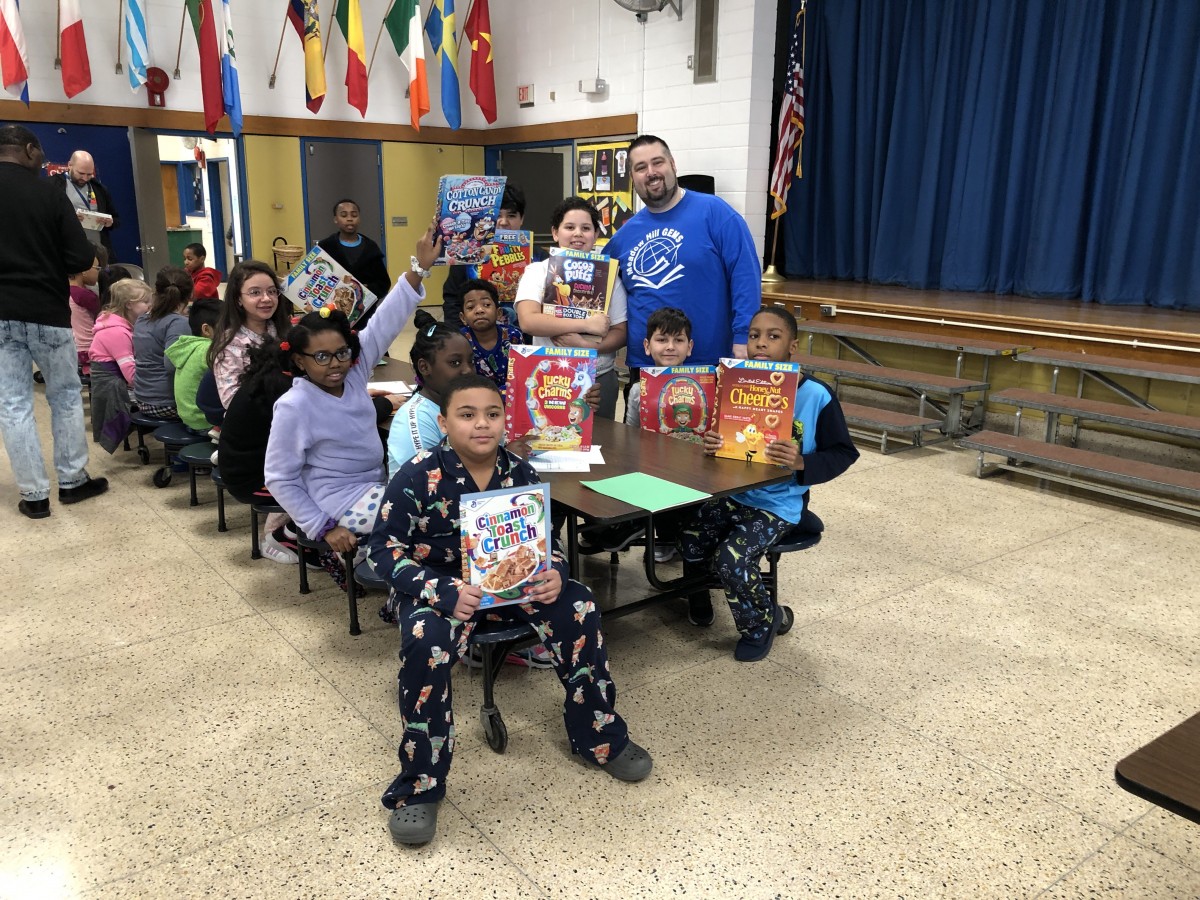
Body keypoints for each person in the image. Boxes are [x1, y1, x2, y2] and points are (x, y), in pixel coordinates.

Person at [368, 372, 653, 846]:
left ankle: (601, 735)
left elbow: (547, 545)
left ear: (505, 420)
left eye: (492, 414)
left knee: (578, 604)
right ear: (443, 422)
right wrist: (441, 591)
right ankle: (420, 785)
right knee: (427, 642)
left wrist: (555, 571)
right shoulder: (417, 475)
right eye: (467, 415)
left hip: (514, 589)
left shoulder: (520, 471)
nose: (481, 424)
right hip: (444, 592)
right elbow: (383, 551)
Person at [679, 306, 859, 660]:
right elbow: (723, 443)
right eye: (754, 336)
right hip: (734, 493)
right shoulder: (733, 384)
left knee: (732, 560)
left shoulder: (816, 395)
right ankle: (697, 590)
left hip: (779, 504)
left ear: (793, 346)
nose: (761, 344)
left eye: (773, 337)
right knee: (689, 534)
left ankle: (763, 622)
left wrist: (802, 461)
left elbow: (843, 452)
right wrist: (713, 444)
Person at [263, 222, 438, 564]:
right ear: (299, 360)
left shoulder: (354, 373)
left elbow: (385, 321)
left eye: (342, 352)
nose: (335, 365)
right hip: (335, 501)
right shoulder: (294, 405)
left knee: (433, 500)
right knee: (427, 517)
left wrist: (420, 267)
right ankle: (324, 549)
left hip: (373, 483)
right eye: (321, 357)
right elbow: (279, 476)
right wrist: (320, 526)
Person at [0, 124, 109, 518]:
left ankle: (33, 496)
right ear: (29, 150)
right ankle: (72, 481)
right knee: (63, 396)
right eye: (40, 154)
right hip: (46, 309)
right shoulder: (49, 192)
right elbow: (81, 259)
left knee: (12, 405)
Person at [604, 134, 761, 375]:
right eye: (641, 167)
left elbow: (745, 278)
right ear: (633, 177)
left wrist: (743, 337)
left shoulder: (715, 213)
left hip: (709, 362)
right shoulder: (623, 237)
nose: (651, 172)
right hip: (647, 366)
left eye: (658, 162)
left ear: (673, 164)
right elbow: (596, 289)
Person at [514, 196, 628, 420]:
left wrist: (585, 345)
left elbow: (621, 332)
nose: (578, 233)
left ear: (596, 234)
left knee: (603, 445)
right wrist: (586, 324)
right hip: (548, 375)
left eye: (586, 228)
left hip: (599, 376)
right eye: (569, 227)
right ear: (556, 233)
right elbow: (528, 321)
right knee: (549, 441)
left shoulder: (609, 277)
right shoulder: (537, 271)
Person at [440, 183, 540, 328]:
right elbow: (452, 299)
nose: (503, 222)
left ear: (522, 218)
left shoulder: (537, 258)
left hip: (525, 337)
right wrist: (460, 335)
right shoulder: (468, 255)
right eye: (497, 215)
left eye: (511, 216)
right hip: (476, 338)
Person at [386, 323, 473, 479]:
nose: (468, 370)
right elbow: (429, 486)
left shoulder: (468, 403)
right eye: (455, 363)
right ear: (424, 367)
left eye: (471, 361)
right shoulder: (417, 418)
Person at [209, 260, 294, 409]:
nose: (267, 298)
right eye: (255, 292)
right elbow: (231, 400)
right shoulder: (231, 343)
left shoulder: (285, 330)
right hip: (255, 420)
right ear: (238, 299)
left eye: (272, 291)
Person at [89, 279, 153, 454]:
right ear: (129, 305)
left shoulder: (115, 324)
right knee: (161, 395)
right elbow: (131, 376)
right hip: (113, 387)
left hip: (115, 382)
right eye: (146, 302)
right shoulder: (117, 332)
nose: (149, 306)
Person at [317, 198, 391, 330]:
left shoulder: (371, 248)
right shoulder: (326, 247)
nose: (349, 219)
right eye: (344, 215)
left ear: (359, 218)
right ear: (336, 219)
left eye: (354, 215)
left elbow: (384, 283)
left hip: (365, 314)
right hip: (332, 314)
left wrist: (365, 289)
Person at [132, 266, 192, 420]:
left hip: (141, 398)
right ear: (189, 296)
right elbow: (172, 365)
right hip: (166, 403)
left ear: (156, 291)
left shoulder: (142, 319)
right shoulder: (178, 323)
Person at [623, 306, 695, 427]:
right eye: (662, 340)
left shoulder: (705, 388)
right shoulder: (638, 390)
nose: (670, 346)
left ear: (689, 347)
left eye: (678, 340)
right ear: (647, 346)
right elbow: (630, 434)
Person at [165, 298, 222, 434]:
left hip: (189, 419)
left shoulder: (188, 346)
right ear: (207, 330)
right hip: (206, 422)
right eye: (227, 326)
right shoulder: (210, 349)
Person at [50, 150, 120, 256]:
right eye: (81, 173)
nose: (85, 178)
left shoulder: (99, 189)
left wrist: (110, 222)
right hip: (67, 251)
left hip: (98, 251)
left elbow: (116, 219)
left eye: (89, 174)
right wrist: (68, 219)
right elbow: (44, 218)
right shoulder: (53, 186)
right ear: (69, 165)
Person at [459, 278, 523, 390]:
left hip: (512, 395)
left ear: (498, 313)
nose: (479, 310)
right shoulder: (460, 340)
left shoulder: (513, 335)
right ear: (463, 318)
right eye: (470, 307)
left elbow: (522, 371)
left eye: (486, 305)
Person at [68, 243, 104, 373]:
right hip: (88, 350)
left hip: (71, 347)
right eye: (97, 268)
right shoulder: (85, 295)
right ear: (84, 270)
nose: (99, 272)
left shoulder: (64, 290)